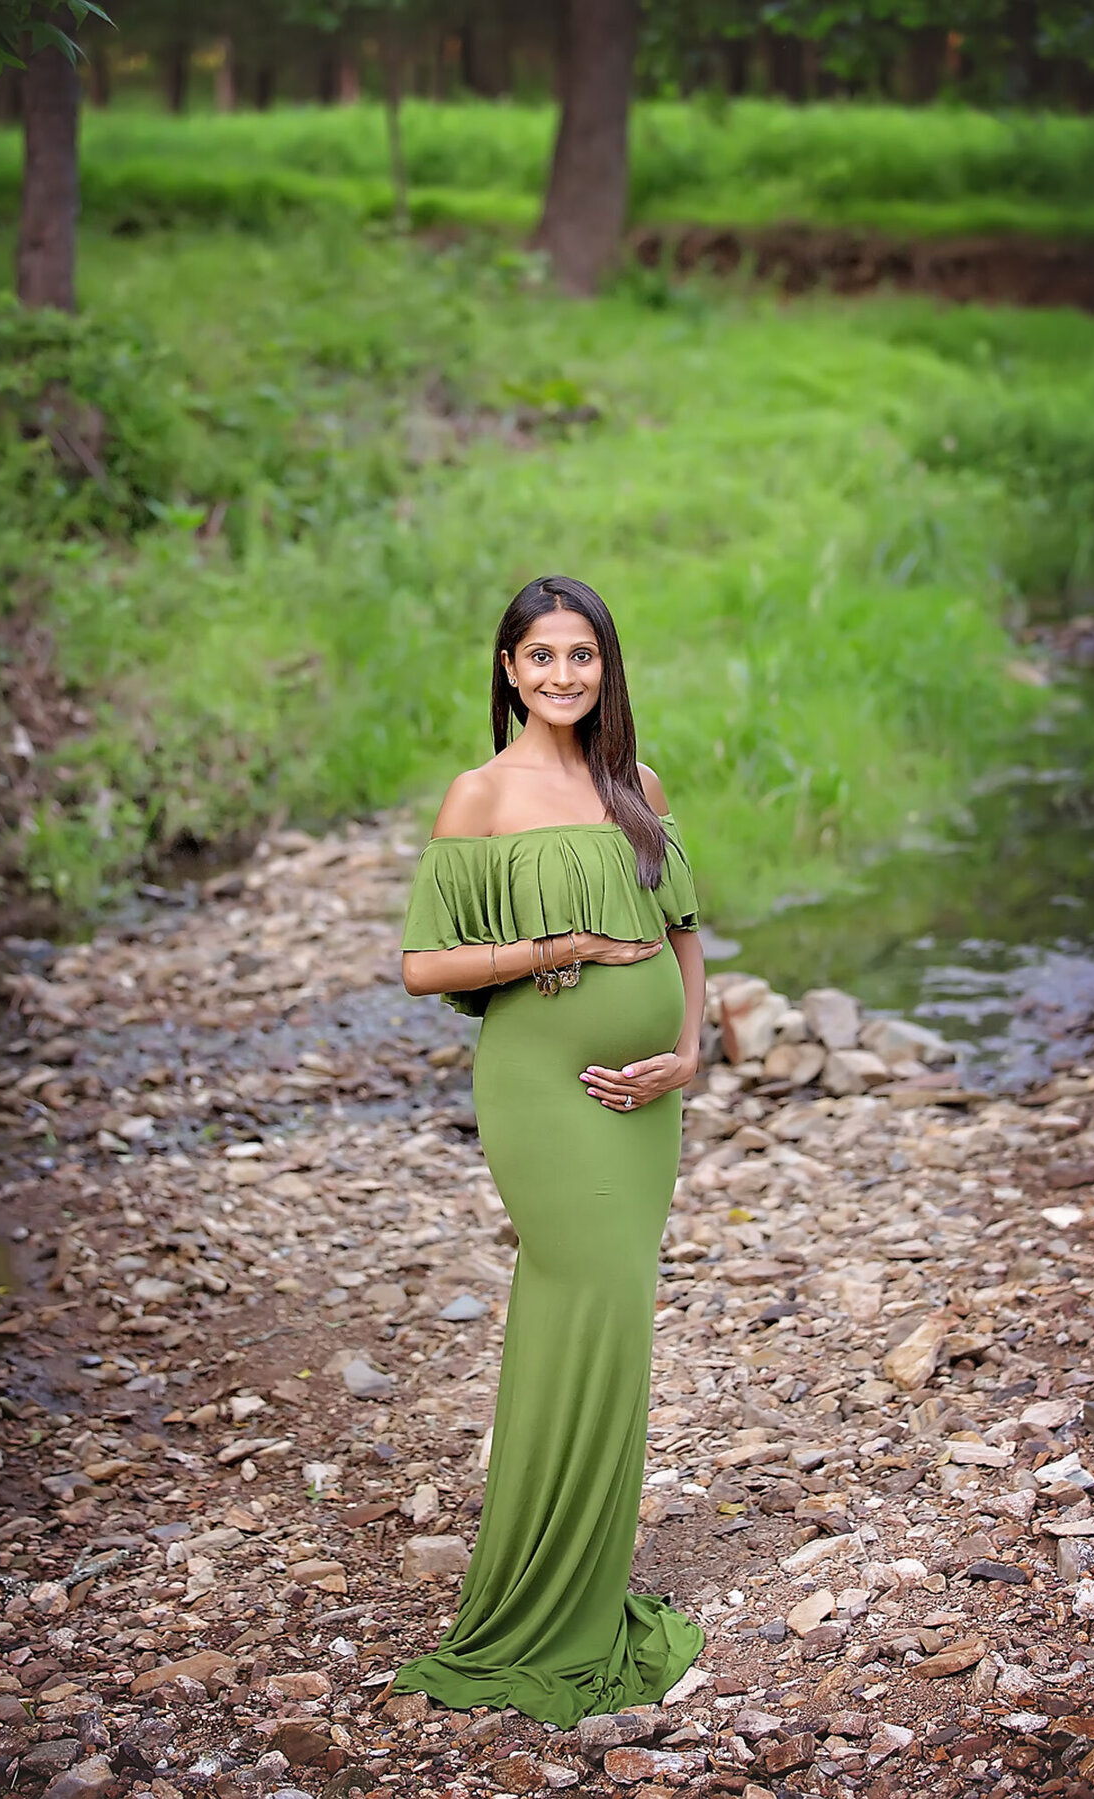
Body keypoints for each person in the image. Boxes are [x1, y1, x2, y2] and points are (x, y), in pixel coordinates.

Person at [390, 574, 708, 1728]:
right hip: (539, 1087)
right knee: (589, 1290)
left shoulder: (638, 788)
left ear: (604, 667)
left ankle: (581, 1578)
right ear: (510, 669)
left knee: (616, 1313)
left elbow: (683, 935)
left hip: (646, 1102)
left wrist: (688, 1052)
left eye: (583, 656)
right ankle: (534, 1605)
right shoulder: (481, 795)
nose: (564, 675)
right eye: (542, 657)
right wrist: (553, 943)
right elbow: (425, 965)